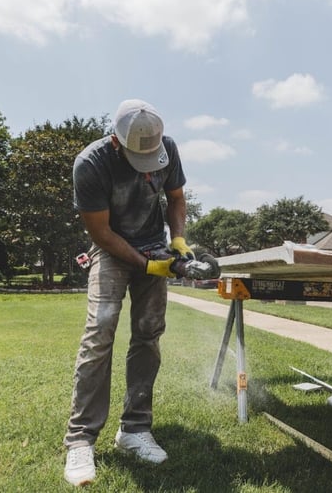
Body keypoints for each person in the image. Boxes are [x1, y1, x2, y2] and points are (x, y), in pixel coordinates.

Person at [64, 99, 193, 486]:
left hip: (155, 243)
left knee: (149, 335)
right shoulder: (91, 164)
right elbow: (100, 233)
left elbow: (177, 198)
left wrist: (180, 240)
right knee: (99, 332)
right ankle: (81, 439)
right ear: (117, 142)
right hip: (111, 248)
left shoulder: (166, 148)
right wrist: (144, 263)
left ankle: (134, 430)